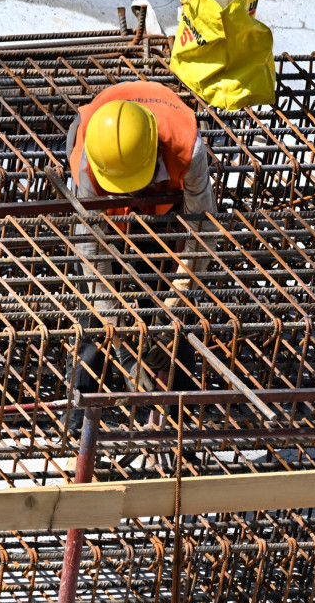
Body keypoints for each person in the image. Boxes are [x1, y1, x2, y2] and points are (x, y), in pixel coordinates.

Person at [63, 80, 220, 401]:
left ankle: (181, 413)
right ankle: (83, 412)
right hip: (110, 199)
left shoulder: (187, 147)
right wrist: (112, 322)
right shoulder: (88, 157)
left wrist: (173, 308)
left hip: (163, 204)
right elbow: (91, 247)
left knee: (163, 290)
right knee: (94, 313)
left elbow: (202, 234)